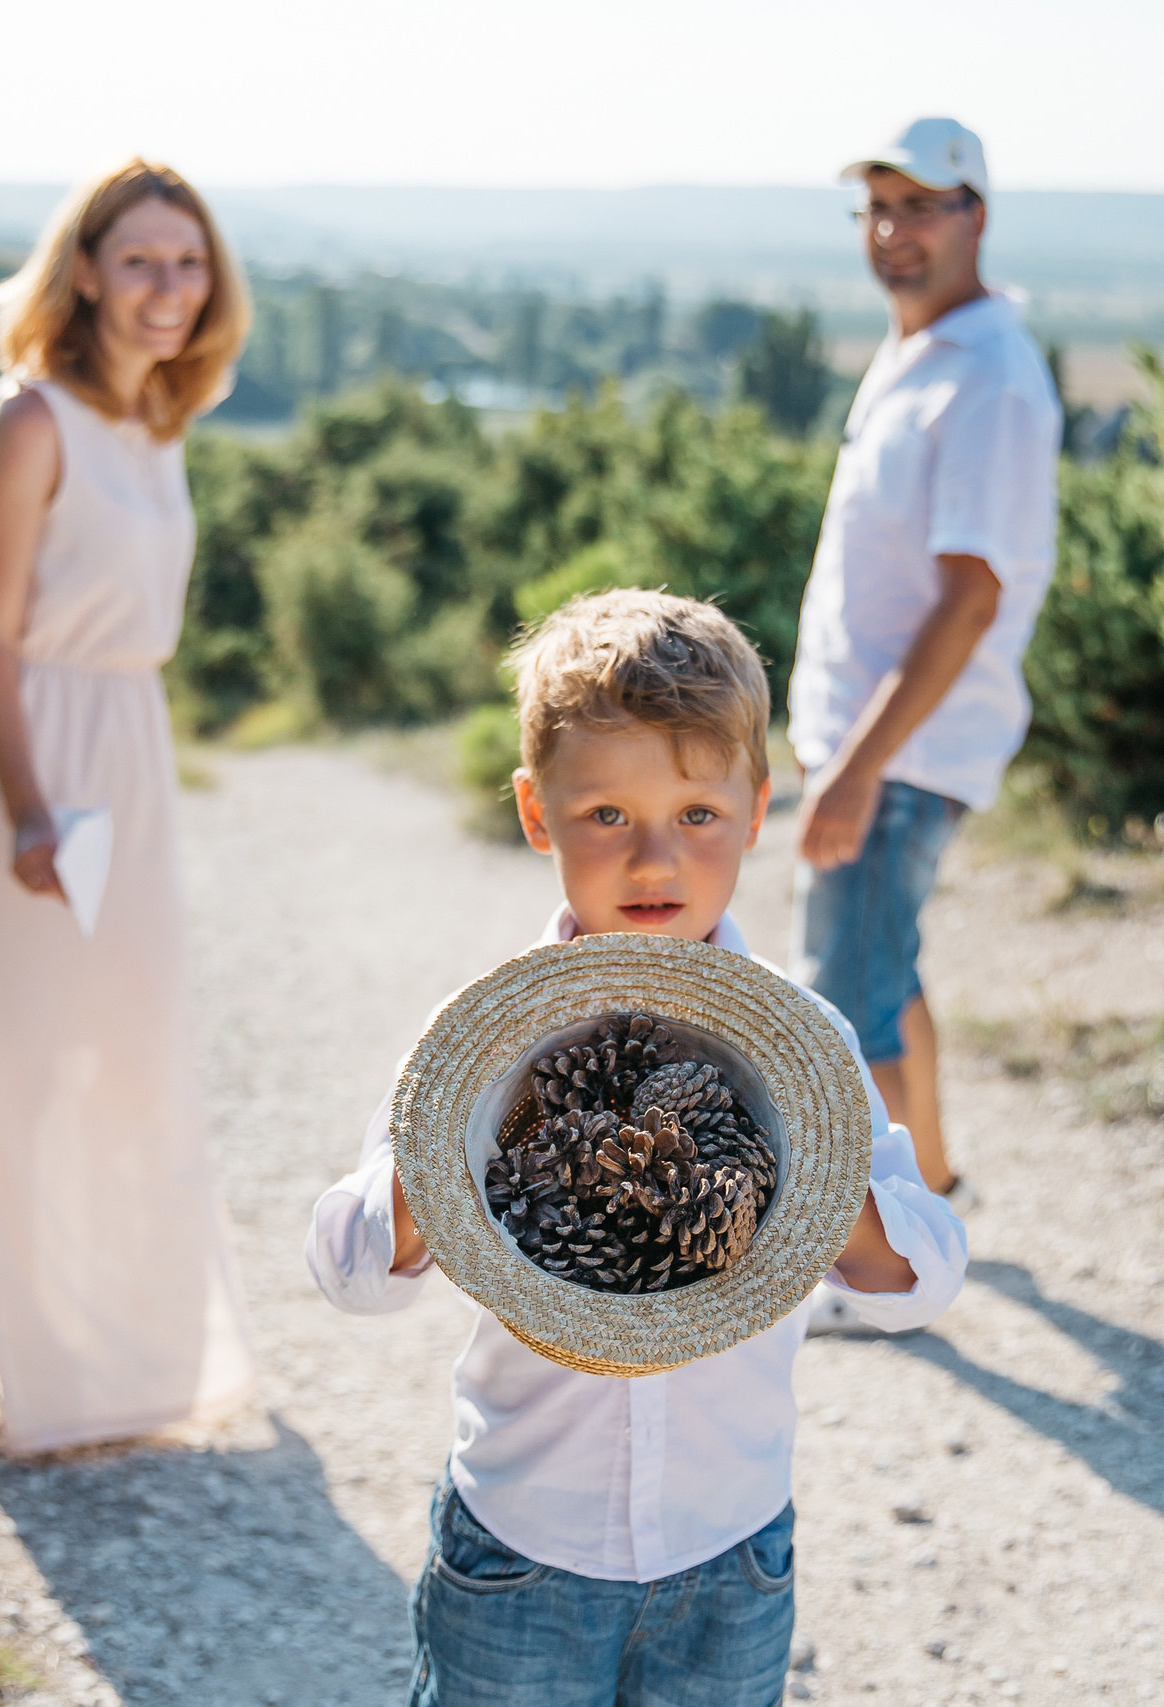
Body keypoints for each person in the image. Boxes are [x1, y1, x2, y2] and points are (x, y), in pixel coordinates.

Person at [307, 590, 969, 1706]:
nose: (654, 858)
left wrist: (825, 1198)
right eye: (605, 814)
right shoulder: (486, 1044)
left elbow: (925, 1275)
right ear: (536, 812)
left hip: (731, 1554)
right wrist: (434, 1180)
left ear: (758, 810)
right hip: (519, 1545)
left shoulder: (807, 1049)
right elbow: (344, 1270)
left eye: (697, 815)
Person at [0, 159, 254, 1455]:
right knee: (27, 1065)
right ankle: (42, 1370)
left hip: (132, 754)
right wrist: (33, 807)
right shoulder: (32, 417)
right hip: (34, 761)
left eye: (191, 261)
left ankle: (133, 1354)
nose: (170, 288)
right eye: (144, 260)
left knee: (132, 1055)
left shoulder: (158, 423)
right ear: (89, 271)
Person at [787, 117, 1063, 1207]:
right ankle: (931, 1191)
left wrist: (859, 766)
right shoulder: (920, 351)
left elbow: (971, 596)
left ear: (976, 217)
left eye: (921, 207)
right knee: (884, 978)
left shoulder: (986, 376)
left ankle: (881, 1262)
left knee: (842, 1003)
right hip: (873, 739)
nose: (895, 232)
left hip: (896, 749)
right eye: (878, 208)